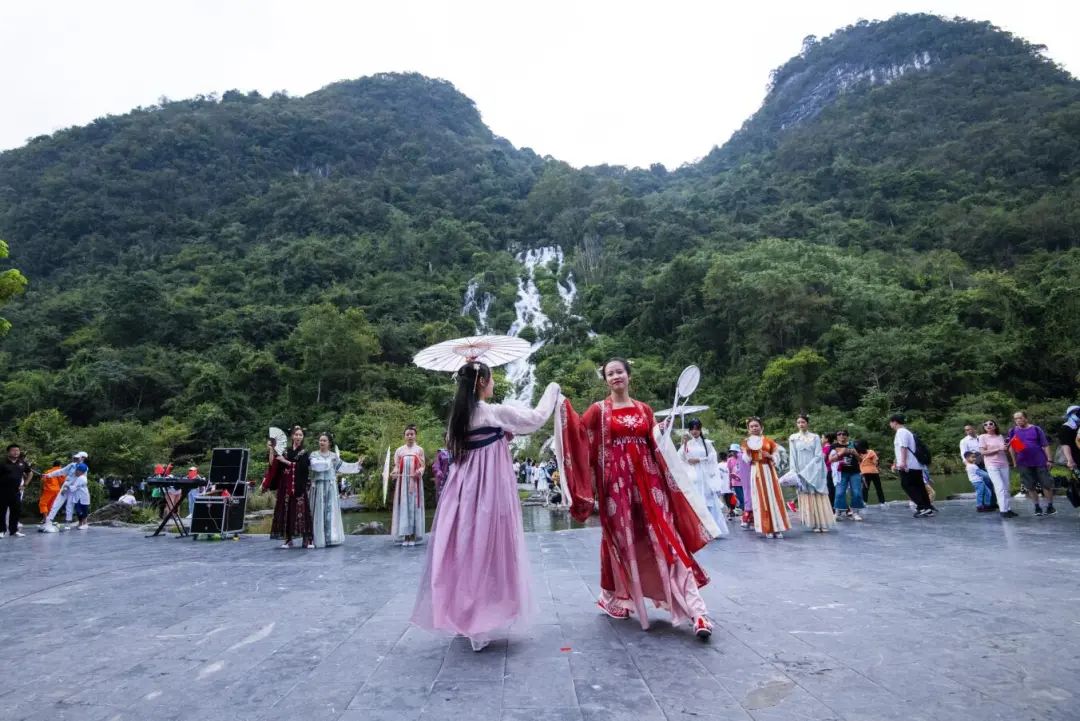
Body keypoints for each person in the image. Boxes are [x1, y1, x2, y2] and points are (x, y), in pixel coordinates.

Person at [556, 358, 715, 639]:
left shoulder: (644, 409)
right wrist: (561, 407)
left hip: (651, 487)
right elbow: (579, 436)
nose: (615, 376)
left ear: (629, 376)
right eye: (610, 374)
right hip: (617, 489)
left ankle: (698, 612)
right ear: (606, 380)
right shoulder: (598, 410)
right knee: (622, 542)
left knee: (669, 541)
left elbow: (655, 444)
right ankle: (613, 597)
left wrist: (660, 432)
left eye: (619, 371)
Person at [412, 362, 561, 651]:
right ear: (481, 382)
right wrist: (552, 390)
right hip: (488, 490)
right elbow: (535, 419)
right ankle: (481, 617)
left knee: (464, 549)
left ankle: (462, 614)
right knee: (487, 549)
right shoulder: (494, 412)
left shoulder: (458, 417)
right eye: (491, 379)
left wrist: (499, 435)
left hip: (461, 491)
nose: (493, 384)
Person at [260, 425, 314, 548]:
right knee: (286, 511)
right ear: (292, 436)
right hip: (285, 485)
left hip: (298, 484)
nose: (298, 437)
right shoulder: (285, 451)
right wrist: (271, 449)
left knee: (302, 510)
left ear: (303, 437)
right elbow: (273, 465)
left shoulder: (304, 452)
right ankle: (288, 539)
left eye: (300, 435)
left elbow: (303, 468)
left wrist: (286, 462)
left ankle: (307, 539)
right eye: (296, 434)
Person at [742, 417, 791, 539]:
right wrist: (747, 453)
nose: (754, 428)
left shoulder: (769, 441)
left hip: (768, 471)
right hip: (755, 471)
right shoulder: (746, 442)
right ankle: (767, 528)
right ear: (748, 429)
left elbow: (777, 456)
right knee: (760, 498)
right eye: (751, 426)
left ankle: (777, 527)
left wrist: (770, 456)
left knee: (773, 497)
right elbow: (746, 460)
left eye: (756, 426)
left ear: (761, 427)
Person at [679, 419, 730, 537]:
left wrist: (699, 460)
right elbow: (681, 458)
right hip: (693, 475)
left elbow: (712, 457)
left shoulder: (707, 443)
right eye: (692, 429)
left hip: (705, 475)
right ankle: (699, 530)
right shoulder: (687, 443)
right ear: (689, 430)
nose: (694, 431)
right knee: (696, 501)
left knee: (708, 500)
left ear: (700, 429)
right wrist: (684, 444)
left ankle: (713, 529)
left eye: (697, 429)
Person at [788, 415, 833, 533]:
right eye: (798, 422)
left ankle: (822, 523)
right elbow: (792, 456)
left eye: (803, 422)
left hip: (814, 469)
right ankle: (813, 523)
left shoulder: (815, 437)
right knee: (807, 495)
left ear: (807, 423)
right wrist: (794, 471)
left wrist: (809, 469)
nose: (801, 424)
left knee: (818, 494)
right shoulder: (793, 438)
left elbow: (818, 455)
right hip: (801, 470)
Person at [1007, 411, 1055, 516]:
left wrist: (1049, 460)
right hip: (1023, 462)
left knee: (1046, 484)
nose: (1018, 420)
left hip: (1040, 461)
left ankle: (1050, 506)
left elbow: (1045, 445)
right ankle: (1037, 507)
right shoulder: (1013, 431)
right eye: (1016, 419)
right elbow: (1012, 447)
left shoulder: (1036, 429)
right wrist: (1014, 462)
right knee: (1030, 486)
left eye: (1020, 418)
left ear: (1026, 418)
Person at [889, 414, 935, 518]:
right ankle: (927, 508)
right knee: (919, 486)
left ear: (894, 422)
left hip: (908, 465)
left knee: (907, 485)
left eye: (890, 422)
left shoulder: (901, 432)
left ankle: (922, 507)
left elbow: (903, 447)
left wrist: (903, 462)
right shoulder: (907, 432)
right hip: (915, 465)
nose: (890, 425)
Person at [308, 432, 345, 548]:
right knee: (318, 511)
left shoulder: (334, 456)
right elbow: (316, 466)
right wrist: (329, 462)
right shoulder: (314, 455)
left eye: (324, 440)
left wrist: (357, 465)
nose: (322, 442)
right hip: (318, 486)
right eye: (320, 440)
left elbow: (343, 466)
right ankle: (317, 538)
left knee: (330, 511)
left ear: (329, 443)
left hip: (330, 486)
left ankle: (331, 537)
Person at [391, 425, 426, 547]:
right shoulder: (399, 451)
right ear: (404, 436)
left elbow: (423, 466)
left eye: (412, 434)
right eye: (407, 434)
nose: (410, 436)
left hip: (415, 482)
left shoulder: (419, 450)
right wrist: (394, 472)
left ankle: (413, 535)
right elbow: (396, 466)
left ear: (415, 435)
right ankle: (405, 536)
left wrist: (419, 472)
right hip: (403, 484)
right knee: (404, 506)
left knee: (414, 506)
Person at [41, 451, 89, 532]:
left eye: (77, 458)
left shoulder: (84, 468)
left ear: (83, 458)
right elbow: (61, 471)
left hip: (73, 488)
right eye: (75, 458)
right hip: (66, 486)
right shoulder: (71, 465)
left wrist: (68, 487)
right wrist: (48, 475)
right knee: (57, 503)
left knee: (69, 505)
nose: (75, 459)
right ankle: (48, 521)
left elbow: (79, 480)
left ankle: (68, 523)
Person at [978, 419, 1016, 519]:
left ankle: (1008, 509)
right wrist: (998, 449)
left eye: (991, 424)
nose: (988, 425)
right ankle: (1003, 511)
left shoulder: (1000, 436)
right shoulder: (982, 437)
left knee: (1006, 488)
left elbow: (1005, 450)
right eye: (985, 424)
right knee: (1000, 487)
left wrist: (1006, 448)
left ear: (995, 426)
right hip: (992, 465)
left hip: (1004, 464)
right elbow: (982, 452)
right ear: (984, 427)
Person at [830, 430, 865, 521]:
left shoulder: (854, 445)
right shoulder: (834, 446)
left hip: (855, 472)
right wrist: (841, 453)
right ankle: (838, 512)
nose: (842, 436)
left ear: (847, 436)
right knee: (839, 493)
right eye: (839, 434)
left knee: (857, 492)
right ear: (837, 436)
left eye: (844, 434)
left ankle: (855, 512)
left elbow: (861, 459)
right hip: (841, 472)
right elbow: (831, 460)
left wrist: (855, 453)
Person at [1, 444, 32, 538]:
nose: (16, 452)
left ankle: (14, 531)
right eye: (13, 450)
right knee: (1, 512)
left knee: (16, 511)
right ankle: (1, 530)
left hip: (16, 492)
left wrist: (25, 484)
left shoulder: (22, 463)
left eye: (17, 450)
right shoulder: (2, 462)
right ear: (8, 452)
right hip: (2, 491)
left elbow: (30, 473)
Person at [856, 440, 884, 505]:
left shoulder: (857, 453)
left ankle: (864, 502)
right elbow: (876, 462)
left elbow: (857, 464)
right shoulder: (871, 452)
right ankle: (882, 502)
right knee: (878, 488)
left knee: (865, 488)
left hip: (864, 473)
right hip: (874, 472)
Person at [38, 458, 66, 523]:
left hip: (48, 490)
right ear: (60, 465)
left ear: (53, 465)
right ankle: (49, 519)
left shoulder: (48, 472)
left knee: (42, 504)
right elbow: (63, 481)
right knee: (51, 504)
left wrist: (41, 489)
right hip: (57, 490)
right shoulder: (61, 472)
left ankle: (45, 519)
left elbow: (43, 481)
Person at [1058, 405, 1080, 471]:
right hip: (1076, 458)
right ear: (1070, 414)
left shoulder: (1078, 426)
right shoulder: (1065, 428)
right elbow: (1065, 445)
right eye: (1074, 413)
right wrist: (1070, 460)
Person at [727, 444, 745, 519]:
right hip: (735, 483)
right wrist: (730, 482)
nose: (734, 453)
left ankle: (743, 512)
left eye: (735, 451)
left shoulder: (743, 458)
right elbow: (729, 471)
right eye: (732, 451)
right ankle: (742, 513)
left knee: (745, 499)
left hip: (744, 482)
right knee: (741, 498)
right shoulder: (730, 460)